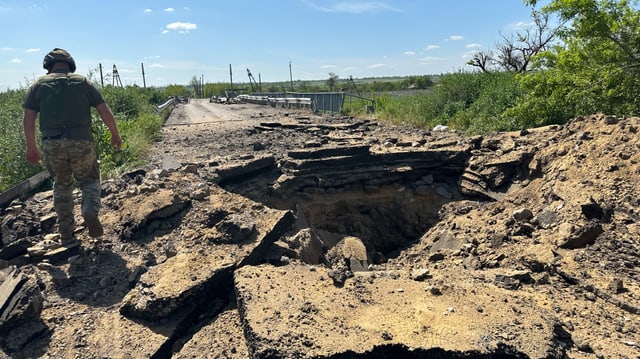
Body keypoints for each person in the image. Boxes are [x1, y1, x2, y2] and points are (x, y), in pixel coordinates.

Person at [22, 48, 122, 244]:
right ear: (70, 64)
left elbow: (28, 118)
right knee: (89, 180)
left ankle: (67, 233)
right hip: (82, 142)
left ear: (48, 66)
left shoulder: (38, 85)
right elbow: (104, 109)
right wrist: (115, 134)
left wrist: (31, 147)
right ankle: (89, 210)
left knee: (61, 185)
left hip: (52, 144)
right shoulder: (83, 82)